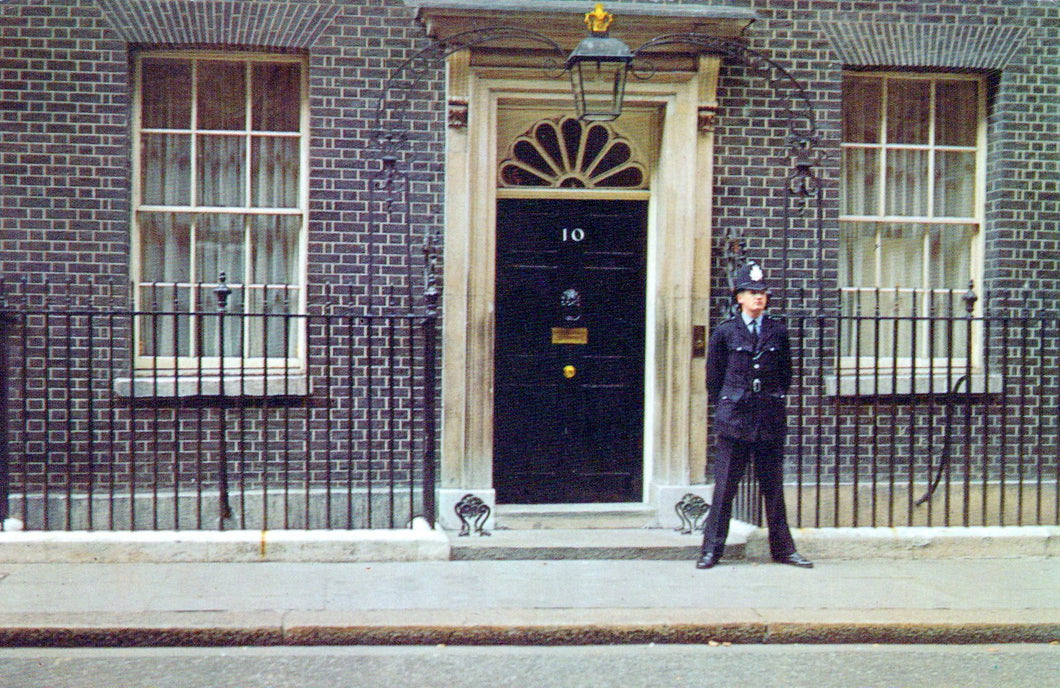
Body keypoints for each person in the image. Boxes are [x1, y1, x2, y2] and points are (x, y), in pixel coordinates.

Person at [697, 262, 813, 569]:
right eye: (751, 292)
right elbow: (713, 379)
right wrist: (728, 407)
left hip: (768, 419)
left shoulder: (777, 331)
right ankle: (711, 550)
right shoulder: (725, 332)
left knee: (772, 488)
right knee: (724, 489)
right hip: (735, 419)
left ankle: (783, 550)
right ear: (739, 297)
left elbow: (786, 374)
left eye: (762, 293)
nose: (758, 298)